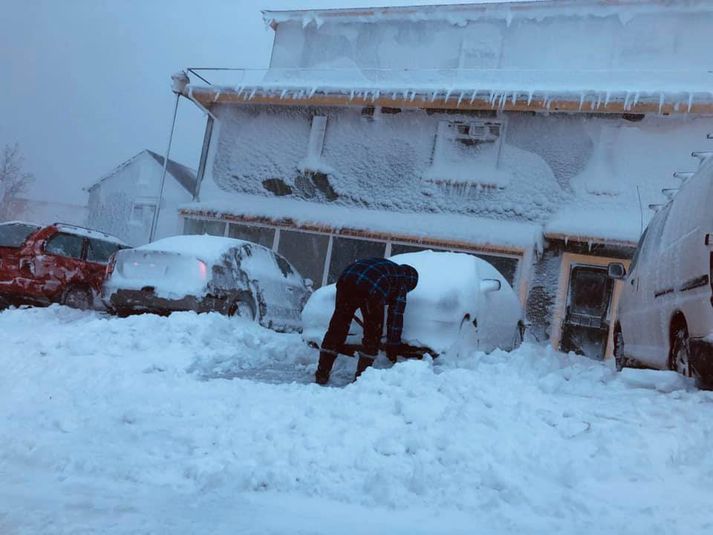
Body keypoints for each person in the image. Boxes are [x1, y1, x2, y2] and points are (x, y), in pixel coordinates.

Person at [315, 257, 419, 385]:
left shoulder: (390, 268)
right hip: (371, 287)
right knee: (372, 335)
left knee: (338, 326)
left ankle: (322, 373)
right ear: (410, 283)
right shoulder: (402, 283)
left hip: (346, 278)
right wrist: (392, 349)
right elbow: (396, 319)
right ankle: (361, 379)